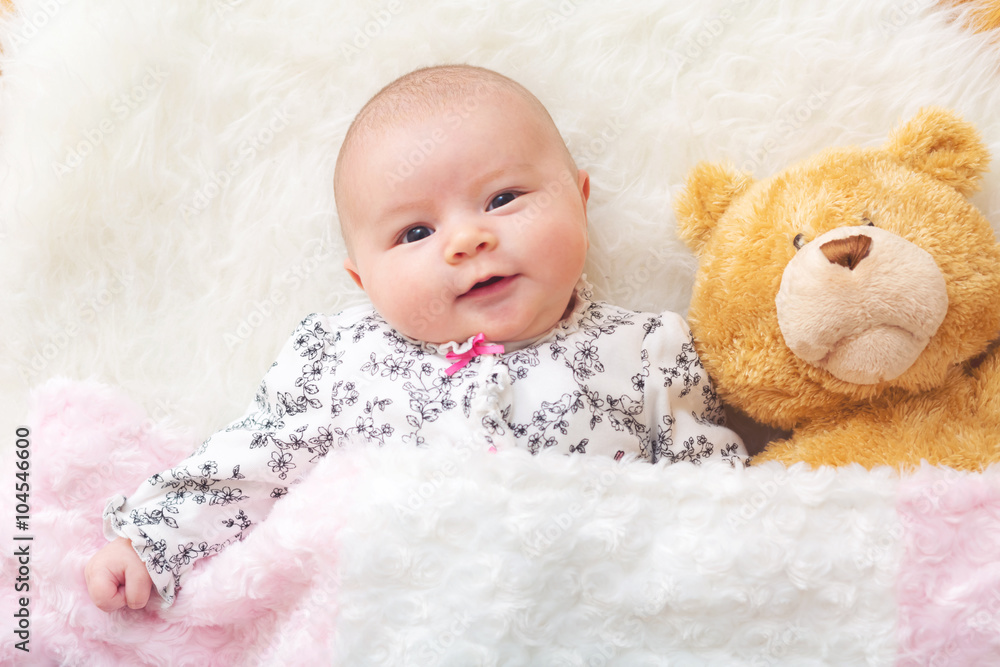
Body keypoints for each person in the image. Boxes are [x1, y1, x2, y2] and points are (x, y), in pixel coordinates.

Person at [86, 64, 747, 612]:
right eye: (414, 233)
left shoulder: (649, 350)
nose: (468, 240)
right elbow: (251, 462)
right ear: (363, 278)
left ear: (579, 198)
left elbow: (716, 496)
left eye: (503, 198)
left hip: (596, 615)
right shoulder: (341, 357)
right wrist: (150, 540)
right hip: (398, 622)